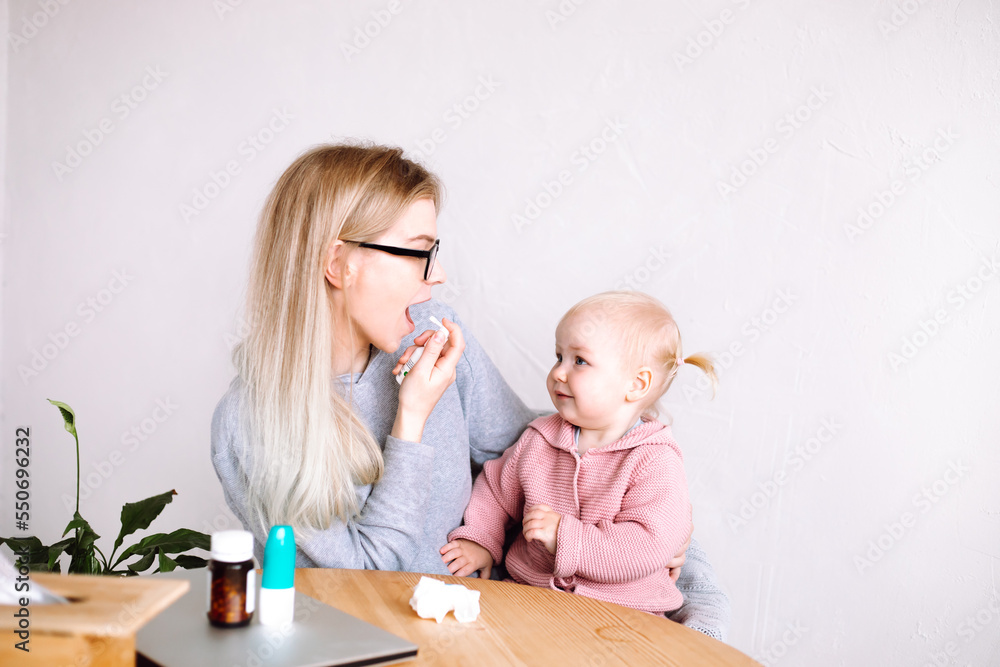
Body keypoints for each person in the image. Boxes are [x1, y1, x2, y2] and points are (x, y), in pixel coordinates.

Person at [210, 143, 731, 640]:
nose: (436, 278)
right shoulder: (250, 423)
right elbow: (360, 584)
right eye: (417, 254)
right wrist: (409, 421)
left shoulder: (433, 335)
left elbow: (553, 458)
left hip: (497, 637)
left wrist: (682, 561)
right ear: (338, 264)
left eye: (434, 252)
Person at [441, 292, 712, 616]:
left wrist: (565, 537)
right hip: (531, 598)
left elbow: (647, 546)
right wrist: (480, 539)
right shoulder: (540, 439)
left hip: (624, 616)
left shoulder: (654, 460)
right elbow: (497, 492)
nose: (558, 372)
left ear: (637, 384)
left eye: (579, 361)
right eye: (559, 356)